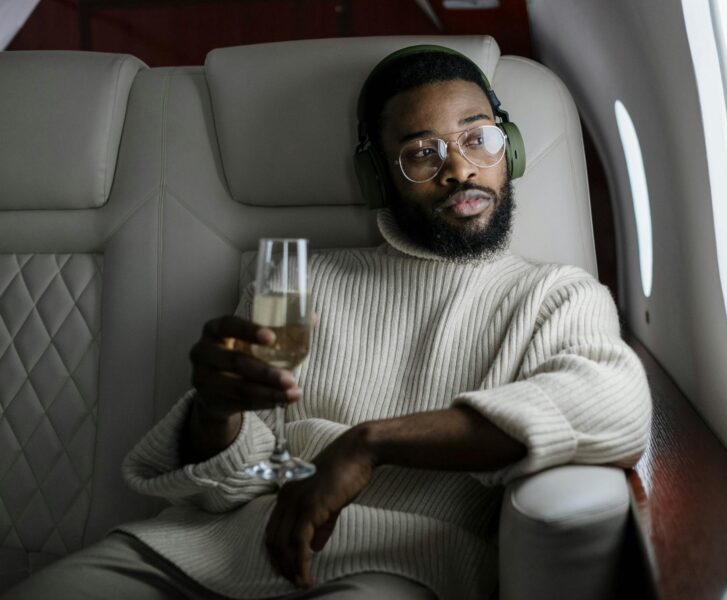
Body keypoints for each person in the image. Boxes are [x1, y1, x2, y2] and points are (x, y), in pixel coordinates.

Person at [3, 46, 651, 600]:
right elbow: (243, 475)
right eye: (421, 153)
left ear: (507, 148)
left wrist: (368, 444)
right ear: (380, 177)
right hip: (194, 555)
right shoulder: (294, 280)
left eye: (476, 138)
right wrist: (216, 411)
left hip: (393, 564)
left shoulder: (554, 296)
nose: (459, 168)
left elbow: (615, 408)